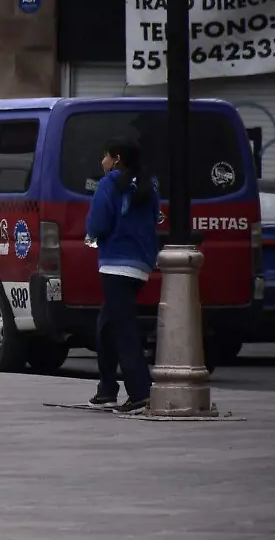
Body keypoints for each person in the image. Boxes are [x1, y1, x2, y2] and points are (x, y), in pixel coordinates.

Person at [85, 137, 159, 415]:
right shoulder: (148, 184)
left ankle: (140, 392)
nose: (102, 162)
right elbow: (154, 219)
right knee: (107, 325)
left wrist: (91, 234)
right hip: (139, 264)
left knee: (123, 329)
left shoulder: (109, 184)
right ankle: (106, 390)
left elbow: (98, 223)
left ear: (116, 158)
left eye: (105, 156)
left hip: (115, 263)